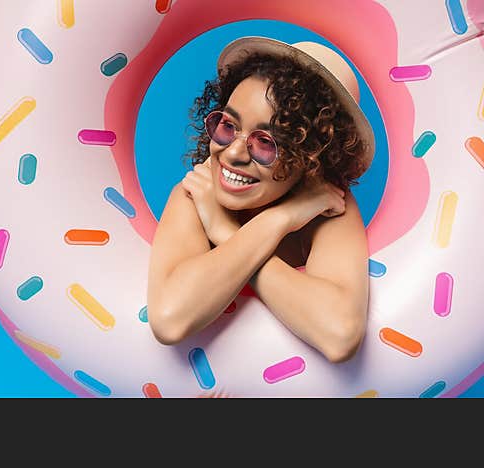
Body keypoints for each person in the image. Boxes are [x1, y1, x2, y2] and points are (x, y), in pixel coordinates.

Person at [146, 37, 375, 363]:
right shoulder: (197, 190)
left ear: (311, 158)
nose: (234, 153)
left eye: (266, 142)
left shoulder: (328, 205)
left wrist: (227, 232)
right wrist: (278, 222)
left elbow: (339, 334)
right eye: (228, 125)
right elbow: (170, 319)